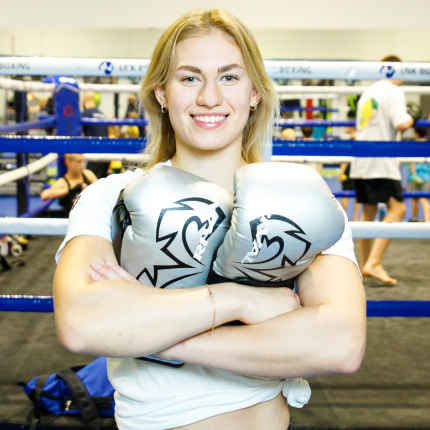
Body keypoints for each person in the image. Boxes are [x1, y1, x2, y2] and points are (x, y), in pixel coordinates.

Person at [53, 9, 366, 430]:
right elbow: (82, 324)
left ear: (254, 93)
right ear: (162, 93)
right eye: (189, 78)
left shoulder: (299, 202)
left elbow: (340, 343)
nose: (210, 98)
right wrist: (239, 301)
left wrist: (154, 337)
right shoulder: (112, 197)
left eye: (229, 77)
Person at [350, 55, 415, 285]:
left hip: (360, 161)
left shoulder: (368, 92)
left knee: (368, 212)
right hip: (381, 162)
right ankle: (374, 262)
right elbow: (402, 123)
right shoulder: (394, 91)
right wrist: (414, 116)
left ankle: (364, 265)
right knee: (397, 209)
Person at [82, 92, 111, 179]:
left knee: (90, 182)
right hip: (107, 154)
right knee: (100, 180)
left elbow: (76, 133)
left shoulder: (86, 114)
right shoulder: (103, 114)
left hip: (96, 154)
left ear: (83, 100)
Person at [406, 127, 430, 222]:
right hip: (426, 176)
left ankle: (423, 220)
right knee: (421, 198)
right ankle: (423, 220)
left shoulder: (415, 145)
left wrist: (415, 175)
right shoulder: (427, 144)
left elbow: (412, 161)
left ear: (416, 133)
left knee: (418, 198)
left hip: (416, 176)